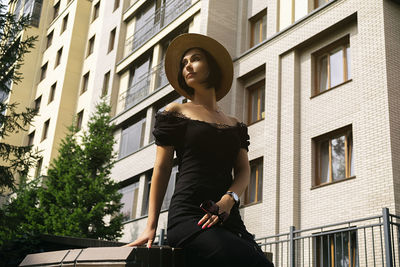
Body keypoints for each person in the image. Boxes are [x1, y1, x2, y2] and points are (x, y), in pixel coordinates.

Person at [123, 33, 273, 267]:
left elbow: (243, 171)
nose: (188, 66)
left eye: (195, 59)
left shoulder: (236, 124)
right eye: (184, 64)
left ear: (212, 67)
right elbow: (161, 169)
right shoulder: (176, 112)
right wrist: (150, 225)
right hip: (189, 216)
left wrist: (228, 200)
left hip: (226, 218)